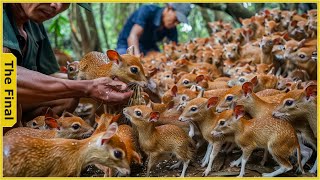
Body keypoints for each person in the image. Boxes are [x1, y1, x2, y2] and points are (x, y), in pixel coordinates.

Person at [3, 3, 133, 128]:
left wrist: (97, 79)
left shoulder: (33, 25)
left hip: (18, 104)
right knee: (9, 104)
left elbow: (48, 75)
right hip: (7, 99)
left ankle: (30, 133)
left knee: (69, 96)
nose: (57, 5)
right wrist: (87, 87)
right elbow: (6, 78)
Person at [116, 3, 191, 56]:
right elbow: (133, 36)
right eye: (176, 19)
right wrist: (137, 57)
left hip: (148, 48)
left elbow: (175, 47)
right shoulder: (147, 11)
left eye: (178, 22)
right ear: (169, 9)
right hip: (126, 45)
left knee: (159, 62)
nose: (176, 24)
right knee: (123, 63)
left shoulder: (171, 27)